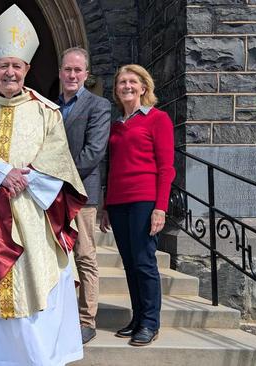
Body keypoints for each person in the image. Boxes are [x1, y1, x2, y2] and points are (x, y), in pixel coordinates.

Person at [0, 5, 87, 365]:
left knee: (36, 278)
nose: (9, 72)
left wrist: (27, 179)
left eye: (16, 65)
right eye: (3, 65)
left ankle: (39, 356)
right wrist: (0, 174)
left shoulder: (46, 112)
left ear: (27, 68)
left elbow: (60, 159)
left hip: (34, 215)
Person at [100, 64, 175, 346]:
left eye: (132, 82)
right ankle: (137, 317)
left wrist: (160, 207)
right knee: (130, 264)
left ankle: (150, 323)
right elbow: (112, 167)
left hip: (144, 200)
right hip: (118, 202)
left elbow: (166, 167)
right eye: (122, 82)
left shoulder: (158, 119)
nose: (127, 86)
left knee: (144, 262)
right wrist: (106, 205)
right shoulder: (117, 125)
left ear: (144, 87)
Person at [57, 46, 111, 344]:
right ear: (60, 72)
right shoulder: (50, 106)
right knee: (57, 256)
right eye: (68, 69)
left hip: (82, 195)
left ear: (86, 74)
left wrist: (57, 175)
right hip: (52, 195)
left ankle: (87, 319)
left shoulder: (98, 106)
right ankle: (62, 315)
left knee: (85, 256)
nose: (72, 74)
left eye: (78, 70)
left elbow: (94, 152)